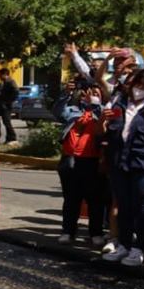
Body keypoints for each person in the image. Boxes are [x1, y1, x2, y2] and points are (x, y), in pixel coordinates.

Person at [101, 68, 144, 267]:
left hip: (143, 163)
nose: (139, 89)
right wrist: (104, 120)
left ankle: (140, 249)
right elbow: (103, 130)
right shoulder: (119, 102)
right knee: (124, 206)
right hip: (120, 161)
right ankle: (124, 245)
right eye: (137, 84)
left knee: (141, 207)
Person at [54, 79, 107, 246]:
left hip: (92, 161)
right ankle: (68, 231)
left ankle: (96, 233)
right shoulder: (73, 110)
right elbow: (58, 112)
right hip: (70, 160)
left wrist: (96, 104)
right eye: (88, 93)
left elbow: (105, 123)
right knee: (71, 199)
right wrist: (66, 94)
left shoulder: (102, 112)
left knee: (95, 199)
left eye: (96, 93)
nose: (90, 95)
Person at [0, 68, 19, 144]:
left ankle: (13, 137)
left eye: (0, 75)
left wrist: (9, 100)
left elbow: (16, 91)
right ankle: (8, 138)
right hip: (3, 105)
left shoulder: (10, 82)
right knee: (5, 121)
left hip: (7, 105)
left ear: (5, 74)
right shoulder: (4, 82)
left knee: (7, 122)